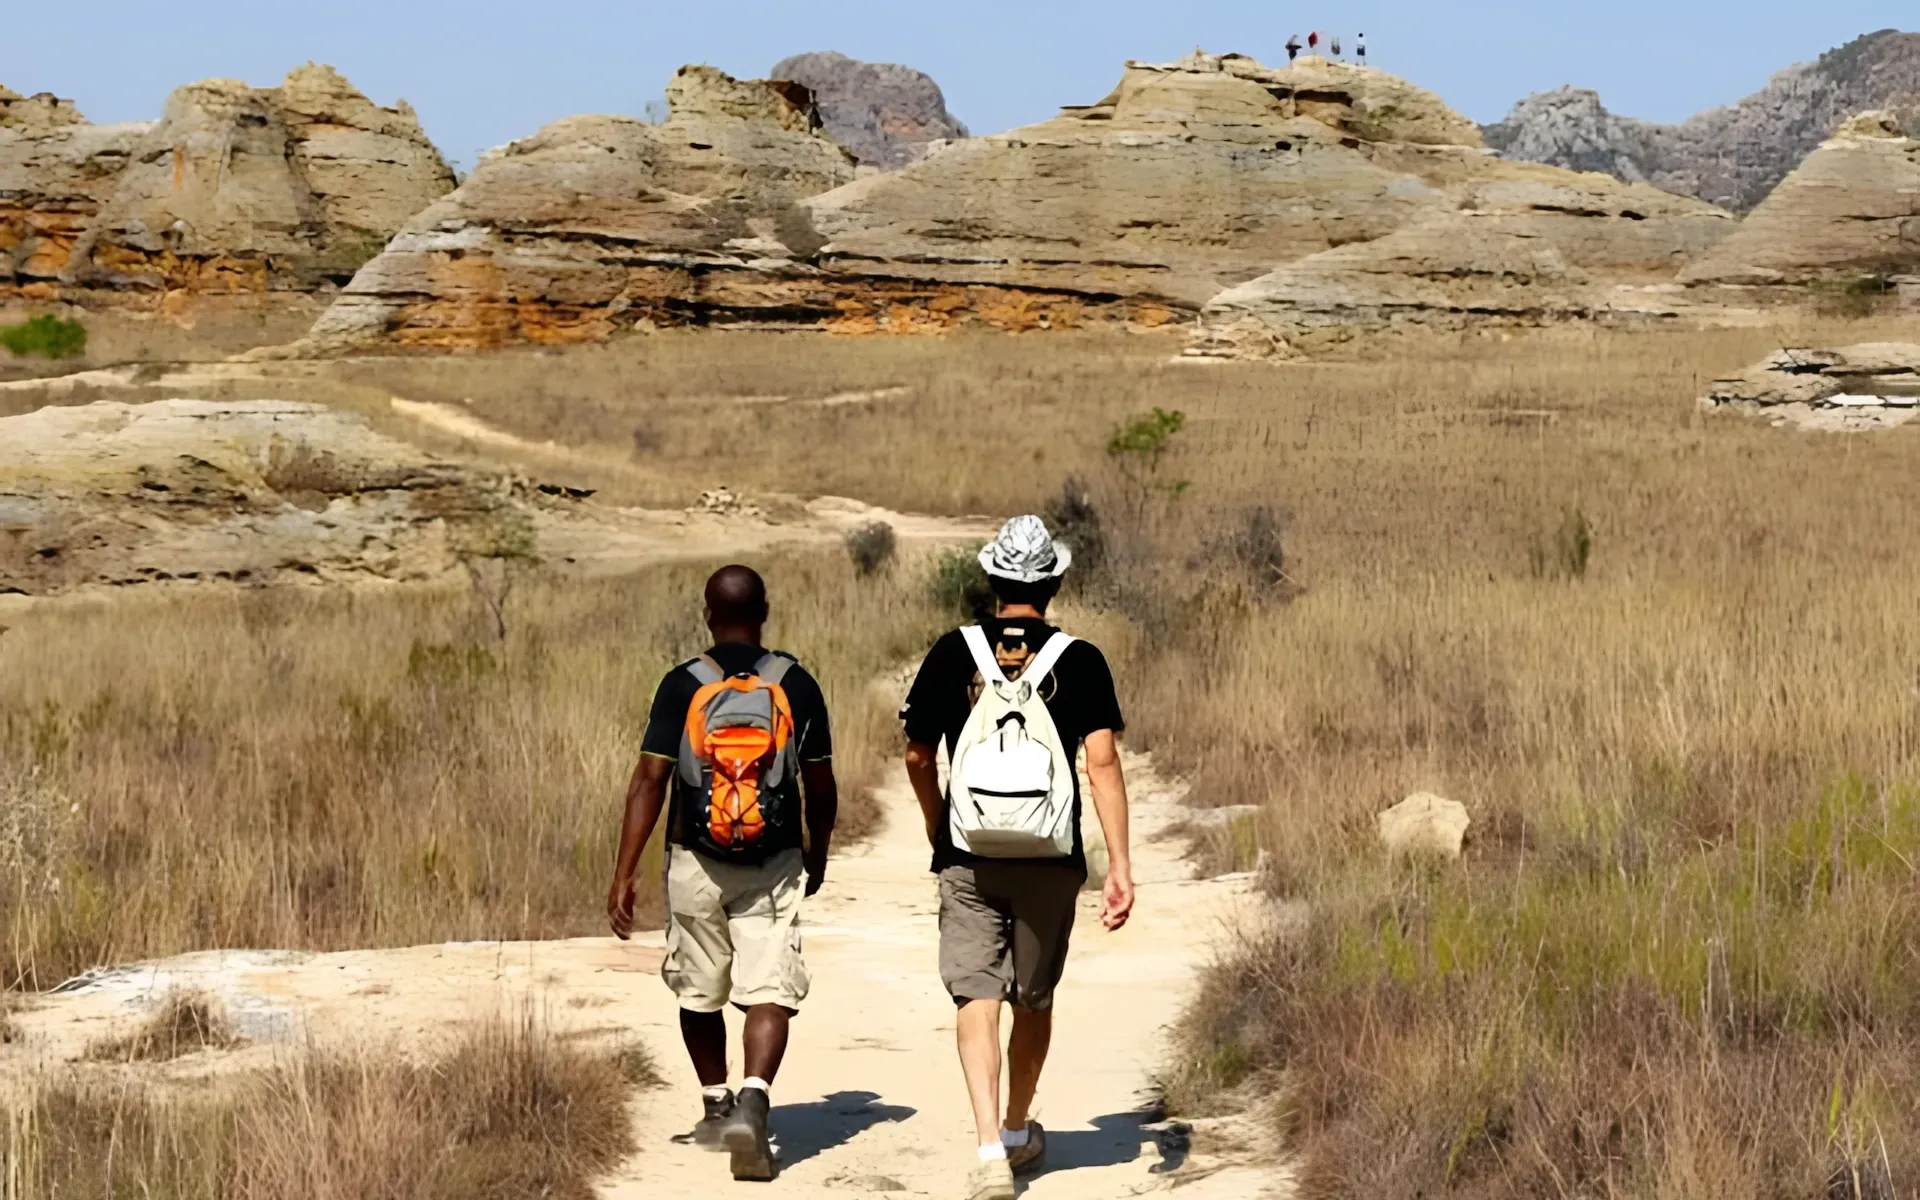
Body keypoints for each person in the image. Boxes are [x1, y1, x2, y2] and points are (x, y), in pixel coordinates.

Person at [902, 516, 1135, 1200]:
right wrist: (1118, 863)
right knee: (1033, 997)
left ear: (992, 580)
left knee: (975, 992)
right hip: (1051, 858)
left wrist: (937, 825)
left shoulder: (953, 653)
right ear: (1055, 582)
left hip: (967, 854)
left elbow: (918, 754)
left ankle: (985, 1154)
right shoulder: (1081, 659)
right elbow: (1101, 763)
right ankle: (1013, 1128)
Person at [607, 564, 838, 1183]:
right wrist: (818, 851)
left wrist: (624, 872)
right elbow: (819, 780)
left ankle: (716, 1104)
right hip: (775, 859)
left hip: (695, 859)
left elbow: (649, 781)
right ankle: (755, 1100)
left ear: (708, 614)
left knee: (698, 988)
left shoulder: (683, 685)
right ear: (764, 611)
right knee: (769, 990)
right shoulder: (796, 682)